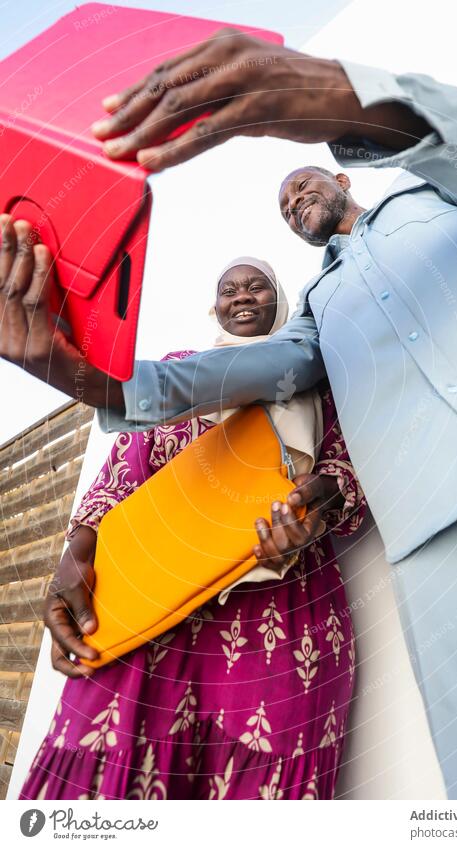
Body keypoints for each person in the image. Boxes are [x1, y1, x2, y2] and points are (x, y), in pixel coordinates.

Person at [2, 30, 457, 799]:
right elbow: (246, 372)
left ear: (341, 173)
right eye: (284, 204)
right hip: (436, 530)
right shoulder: (317, 315)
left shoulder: (430, 195)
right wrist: (98, 382)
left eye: (302, 185)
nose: (296, 201)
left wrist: (343, 93)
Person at [18, 258, 365, 801]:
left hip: (283, 603)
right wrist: (77, 554)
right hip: (156, 590)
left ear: (279, 301)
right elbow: (122, 472)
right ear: (215, 305)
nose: (243, 296)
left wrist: (318, 507)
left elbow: (349, 471)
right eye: (230, 289)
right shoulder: (184, 369)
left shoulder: (320, 384)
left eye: (257, 286)